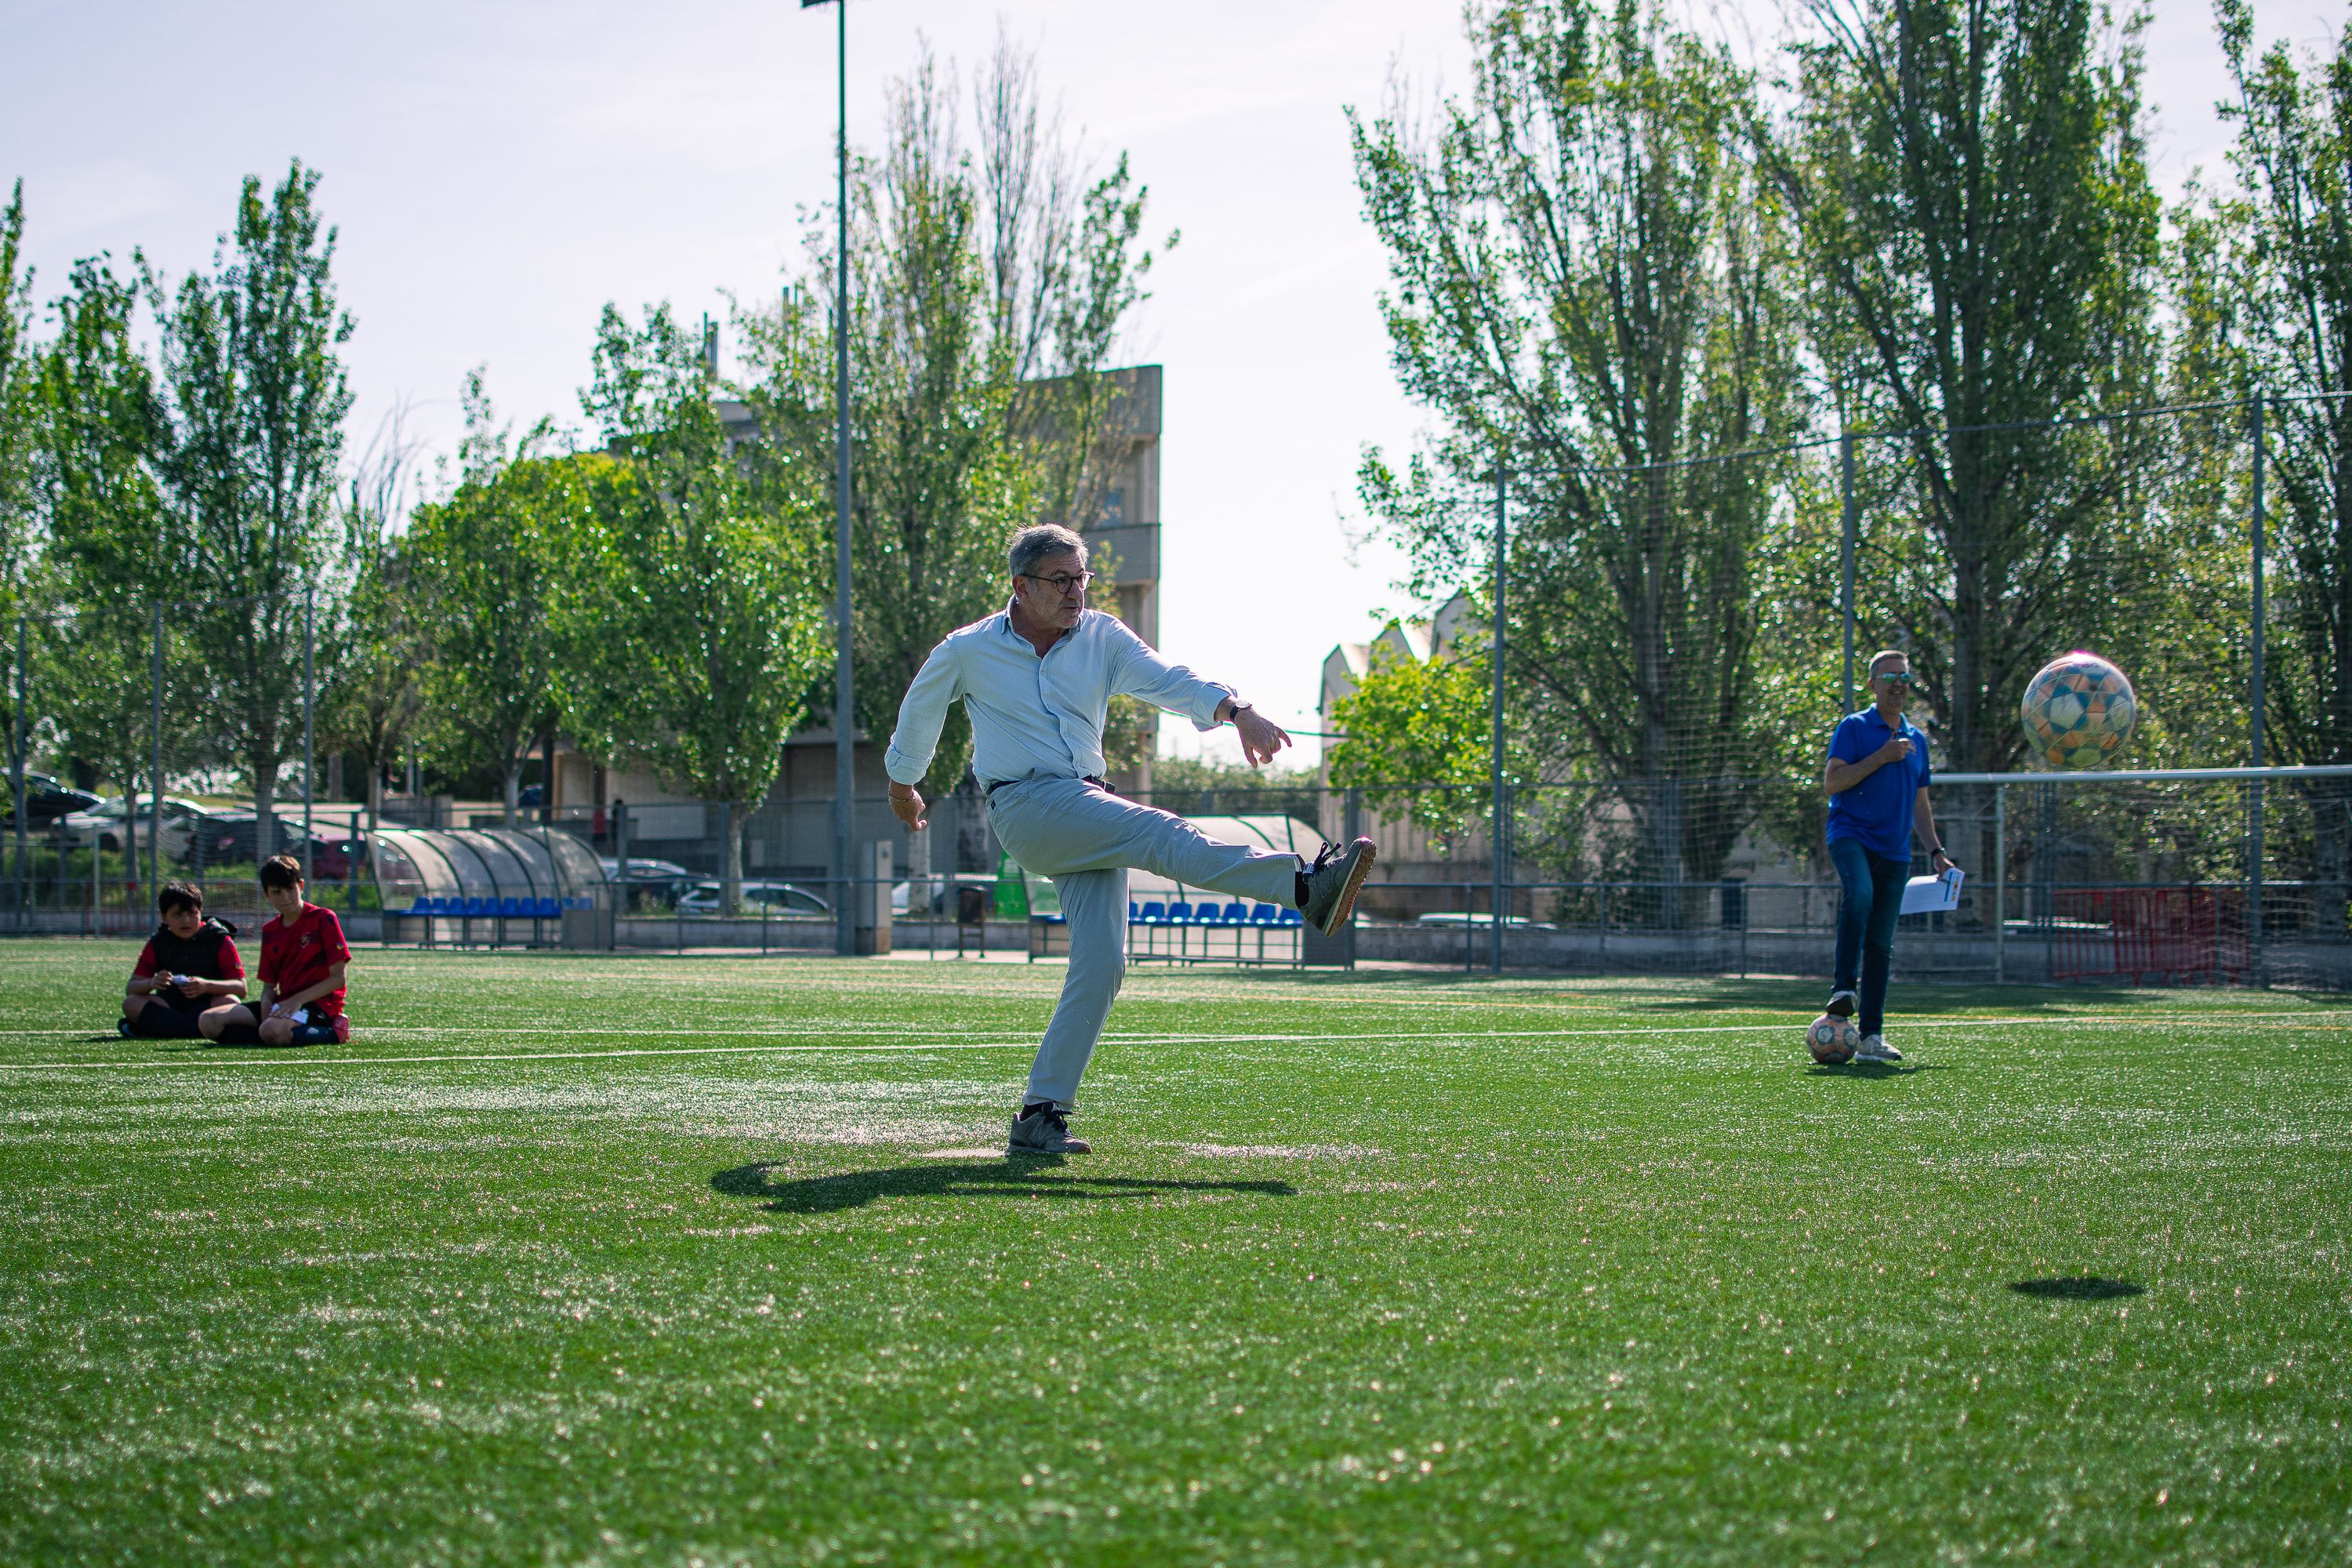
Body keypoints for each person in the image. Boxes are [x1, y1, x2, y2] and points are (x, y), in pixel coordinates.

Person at [885, 523, 1377, 1156]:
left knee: (1103, 964)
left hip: (1086, 804)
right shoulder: (968, 649)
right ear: (1020, 585)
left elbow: (1167, 678)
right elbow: (921, 711)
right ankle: (1304, 886)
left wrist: (1236, 709)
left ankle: (1040, 1114)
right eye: (1060, 581)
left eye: (1081, 580)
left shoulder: (1103, 637)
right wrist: (904, 785)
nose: (1075, 594)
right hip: (1026, 807)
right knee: (1155, 830)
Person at [1822, 650, 1958, 1062]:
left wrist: (1936, 850)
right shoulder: (1855, 728)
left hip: (1896, 850)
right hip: (1851, 835)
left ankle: (1871, 1038)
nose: (1898, 684)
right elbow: (1833, 782)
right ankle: (1843, 988)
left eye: (1904, 677)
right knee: (1859, 894)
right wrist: (1881, 756)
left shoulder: (1917, 741)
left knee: (1882, 943)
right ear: (1873, 685)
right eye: (1889, 677)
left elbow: (1921, 802)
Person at [200, 855, 353, 1047]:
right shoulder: (270, 930)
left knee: (272, 1031)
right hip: (284, 1005)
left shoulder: (323, 919)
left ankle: (334, 1033)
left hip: (318, 1006)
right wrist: (266, 1009)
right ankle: (269, 1033)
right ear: (266, 894)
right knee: (208, 1022)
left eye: (290, 889)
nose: (286, 898)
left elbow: (338, 979)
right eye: (277, 892)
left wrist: (296, 1001)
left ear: (301, 886)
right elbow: (269, 987)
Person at [119, 882, 245, 1039]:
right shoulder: (157, 942)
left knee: (231, 1001)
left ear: (201, 912)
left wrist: (206, 986)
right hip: (168, 1008)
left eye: (192, 914)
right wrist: (152, 983)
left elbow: (241, 988)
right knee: (131, 1003)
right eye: (178, 915)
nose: (186, 921)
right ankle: (198, 1030)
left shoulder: (220, 939)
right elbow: (132, 988)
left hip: (208, 1006)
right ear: (164, 918)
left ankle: (158, 1029)